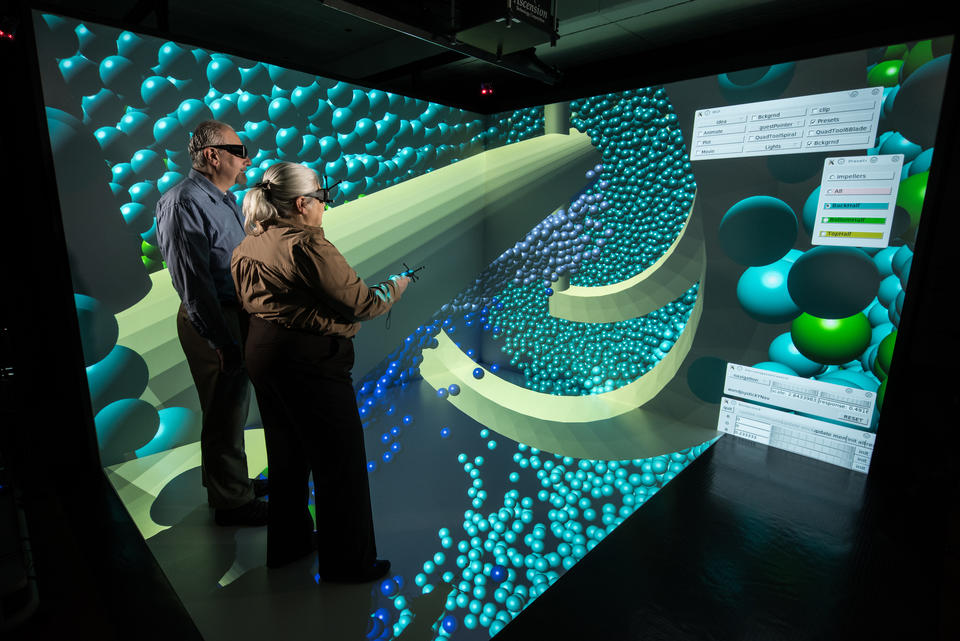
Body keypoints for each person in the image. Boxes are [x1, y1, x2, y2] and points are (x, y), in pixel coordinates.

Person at [231, 161, 410, 581]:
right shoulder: (307, 246)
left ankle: (290, 544)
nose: (324, 207)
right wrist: (396, 289)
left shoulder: (248, 244)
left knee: (287, 456)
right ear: (302, 203)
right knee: (340, 463)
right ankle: (349, 564)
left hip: (262, 352)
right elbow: (363, 304)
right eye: (322, 198)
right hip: (308, 361)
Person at [155, 120, 268, 526]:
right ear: (211, 155)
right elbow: (193, 281)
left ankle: (232, 485)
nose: (246, 159)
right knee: (224, 410)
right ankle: (232, 504)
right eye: (240, 150)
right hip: (214, 319)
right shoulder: (183, 202)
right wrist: (220, 339)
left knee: (232, 407)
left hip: (232, 315)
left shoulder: (223, 199)